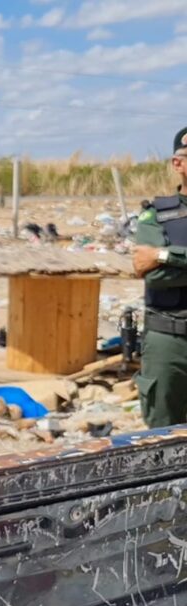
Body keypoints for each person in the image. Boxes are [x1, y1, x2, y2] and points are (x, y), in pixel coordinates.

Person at [132, 126, 187, 428]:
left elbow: (159, 263)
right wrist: (159, 263)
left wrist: (165, 255)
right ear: (178, 164)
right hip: (169, 341)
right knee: (164, 435)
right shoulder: (156, 215)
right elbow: (154, 276)